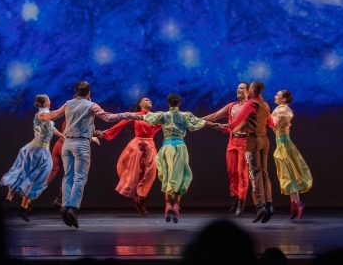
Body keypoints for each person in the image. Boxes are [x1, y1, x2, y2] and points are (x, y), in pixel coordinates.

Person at [40, 81, 138, 228]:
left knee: (68, 176)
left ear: (77, 92)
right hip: (81, 144)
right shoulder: (91, 105)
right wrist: (129, 115)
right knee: (79, 177)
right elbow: (108, 117)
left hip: (67, 144)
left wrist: (42, 116)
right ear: (89, 93)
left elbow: (53, 115)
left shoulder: (68, 103)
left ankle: (65, 206)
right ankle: (72, 208)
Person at [142, 93, 222, 223]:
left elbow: (148, 117)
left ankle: (168, 205)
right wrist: (215, 125)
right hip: (180, 147)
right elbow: (199, 122)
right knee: (181, 176)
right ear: (179, 103)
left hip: (167, 147)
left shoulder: (163, 115)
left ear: (168, 103)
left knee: (168, 177)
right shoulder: (185, 116)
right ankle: (176, 205)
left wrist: (131, 115)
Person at [0, 94, 64, 221]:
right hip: (37, 151)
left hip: (36, 149)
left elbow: (51, 127)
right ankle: (18, 204)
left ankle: (14, 202)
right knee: (35, 177)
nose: (50, 100)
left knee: (25, 174)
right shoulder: (43, 113)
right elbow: (51, 117)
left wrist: (63, 135)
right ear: (45, 102)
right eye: (48, 99)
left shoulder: (45, 114)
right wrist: (65, 108)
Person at [99, 97, 161, 215]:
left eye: (150, 100)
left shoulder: (156, 117)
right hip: (137, 146)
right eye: (147, 100)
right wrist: (105, 134)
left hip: (150, 146)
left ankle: (141, 197)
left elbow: (167, 123)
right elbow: (121, 124)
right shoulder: (134, 115)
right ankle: (139, 198)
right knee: (135, 174)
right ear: (140, 103)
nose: (150, 101)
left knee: (150, 174)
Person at [230, 81, 274, 223]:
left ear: (252, 90)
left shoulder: (250, 104)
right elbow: (271, 124)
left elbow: (237, 121)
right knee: (264, 172)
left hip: (253, 141)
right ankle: (269, 204)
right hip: (264, 140)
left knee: (254, 174)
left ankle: (260, 206)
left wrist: (228, 127)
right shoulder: (266, 105)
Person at [203, 82, 250, 215]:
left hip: (245, 142)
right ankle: (234, 199)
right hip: (232, 141)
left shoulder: (250, 106)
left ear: (248, 91)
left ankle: (241, 201)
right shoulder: (231, 106)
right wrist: (198, 120)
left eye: (241, 88)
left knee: (242, 173)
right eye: (237, 88)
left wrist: (227, 126)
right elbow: (214, 115)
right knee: (232, 172)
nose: (238, 90)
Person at [272, 90, 312, 219]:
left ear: (283, 99)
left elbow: (272, 122)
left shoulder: (283, 110)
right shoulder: (280, 109)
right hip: (281, 143)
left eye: (277, 95)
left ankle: (298, 204)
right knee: (287, 174)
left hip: (284, 145)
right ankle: (294, 205)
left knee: (288, 174)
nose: (275, 96)